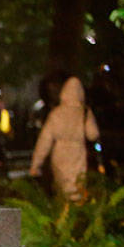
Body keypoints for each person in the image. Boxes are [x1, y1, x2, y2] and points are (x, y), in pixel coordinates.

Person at [29, 72, 100, 201]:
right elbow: (92, 135)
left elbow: (44, 141)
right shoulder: (84, 112)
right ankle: (75, 211)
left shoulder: (56, 114)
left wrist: (36, 165)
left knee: (62, 186)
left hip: (59, 154)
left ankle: (63, 212)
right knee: (77, 185)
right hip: (78, 153)